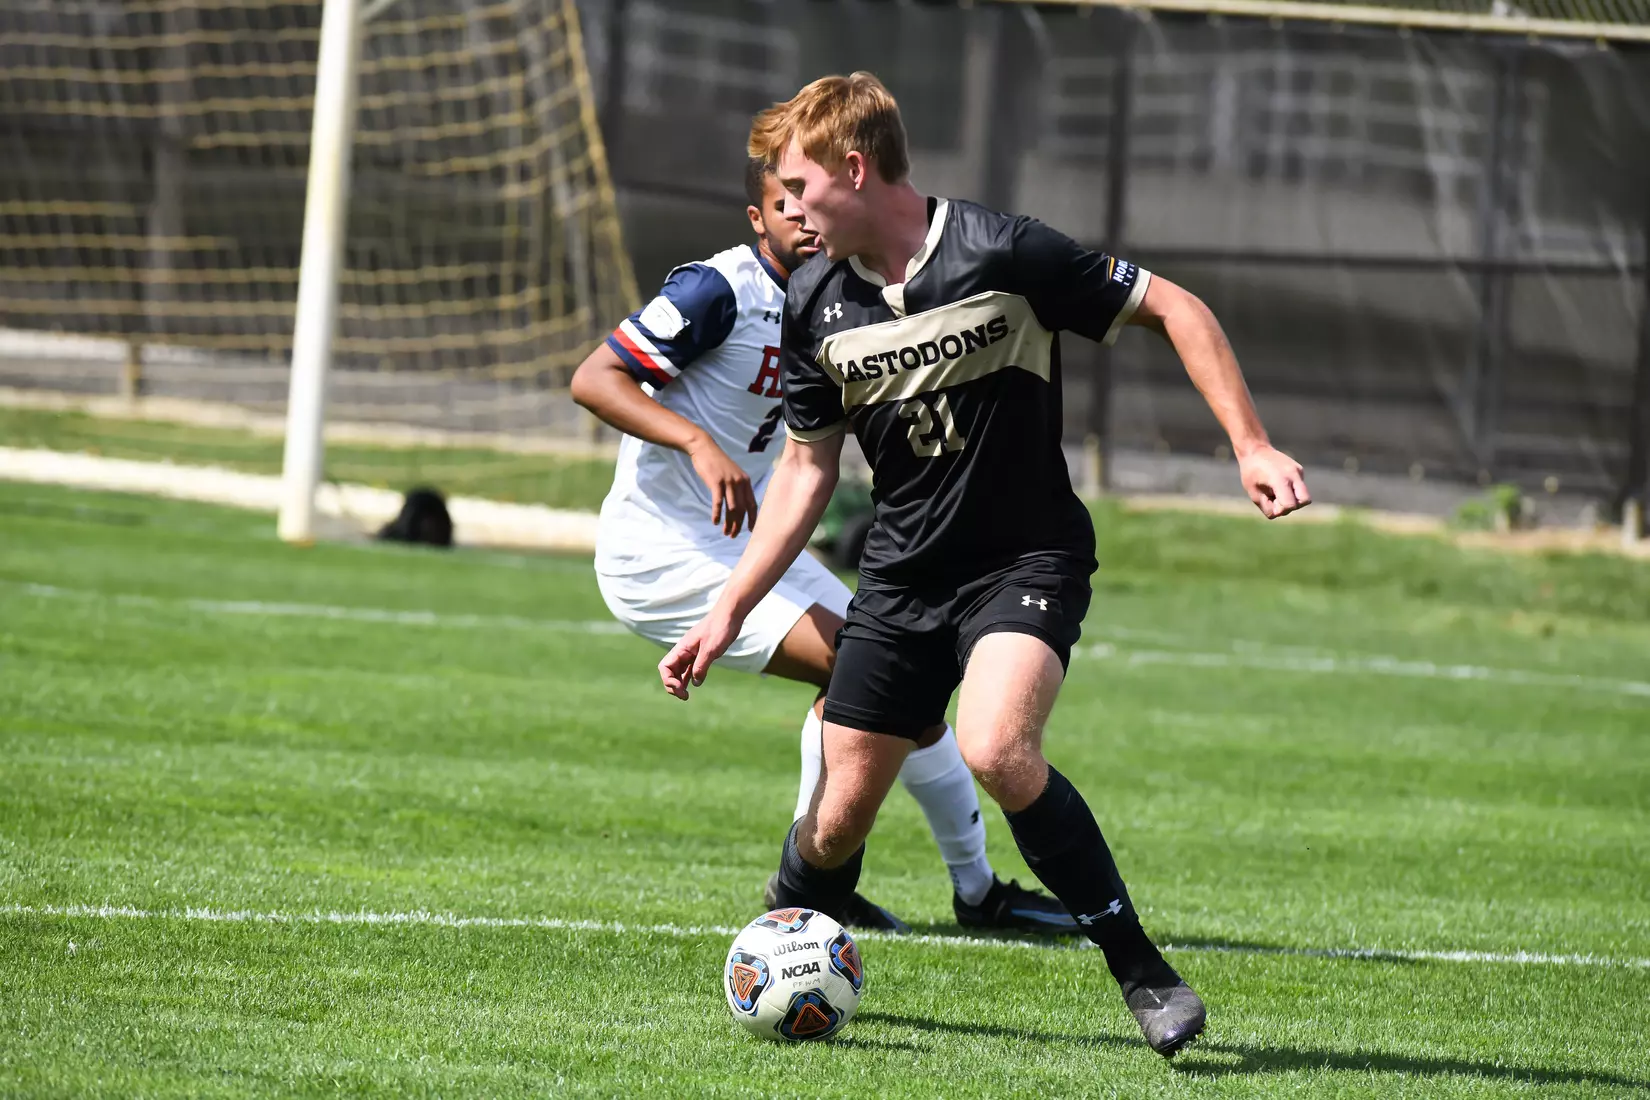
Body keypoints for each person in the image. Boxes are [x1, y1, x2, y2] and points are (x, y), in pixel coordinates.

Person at [658, 73, 1313, 1057]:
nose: (787, 211)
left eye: (797, 186)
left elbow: (1176, 306)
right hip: (902, 578)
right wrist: (727, 609)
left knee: (996, 746)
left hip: (1024, 555)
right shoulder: (813, 300)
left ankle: (1140, 965)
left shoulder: (1004, 251)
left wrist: (1252, 445)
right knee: (834, 826)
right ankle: (793, 922)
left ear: (854, 166)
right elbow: (804, 472)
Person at [570, 157, 1075, 937]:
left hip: (748, 534)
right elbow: (595, 378)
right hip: (662, 550)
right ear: (756, 218)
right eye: (784, 204)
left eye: (811, 199)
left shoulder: (838, 293)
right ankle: (814, 889)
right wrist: (700, 444)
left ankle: (978, 895)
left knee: (904, 684)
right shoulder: (717, 291)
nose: (804, 219)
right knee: (859, 673)